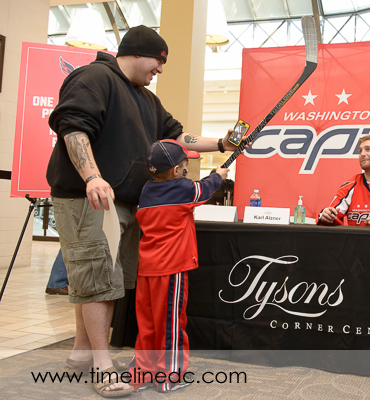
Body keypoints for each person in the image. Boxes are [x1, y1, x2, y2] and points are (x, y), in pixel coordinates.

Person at [45, 26, 239, 397]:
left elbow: (177, 138)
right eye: (158, 61)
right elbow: (73, 128)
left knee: (103, 279)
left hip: (127, 203)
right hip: (92, 198)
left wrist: (223, 142)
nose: (160, 70)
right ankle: (103, 366)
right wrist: (92, 177)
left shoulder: (147, 100)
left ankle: (84, 352)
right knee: (99, 279)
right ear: (136, 53)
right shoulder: (94, 77)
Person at [128, 139, 228, 391]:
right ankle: (169, 376)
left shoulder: (147, 190)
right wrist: (219, 175)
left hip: (147, 270)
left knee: (148, 324)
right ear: (175, 171)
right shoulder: (182, 189)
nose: (186, 168)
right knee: (171, 324)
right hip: (171, 271)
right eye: (185, 165)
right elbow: (204, 189)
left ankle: (142, 372)